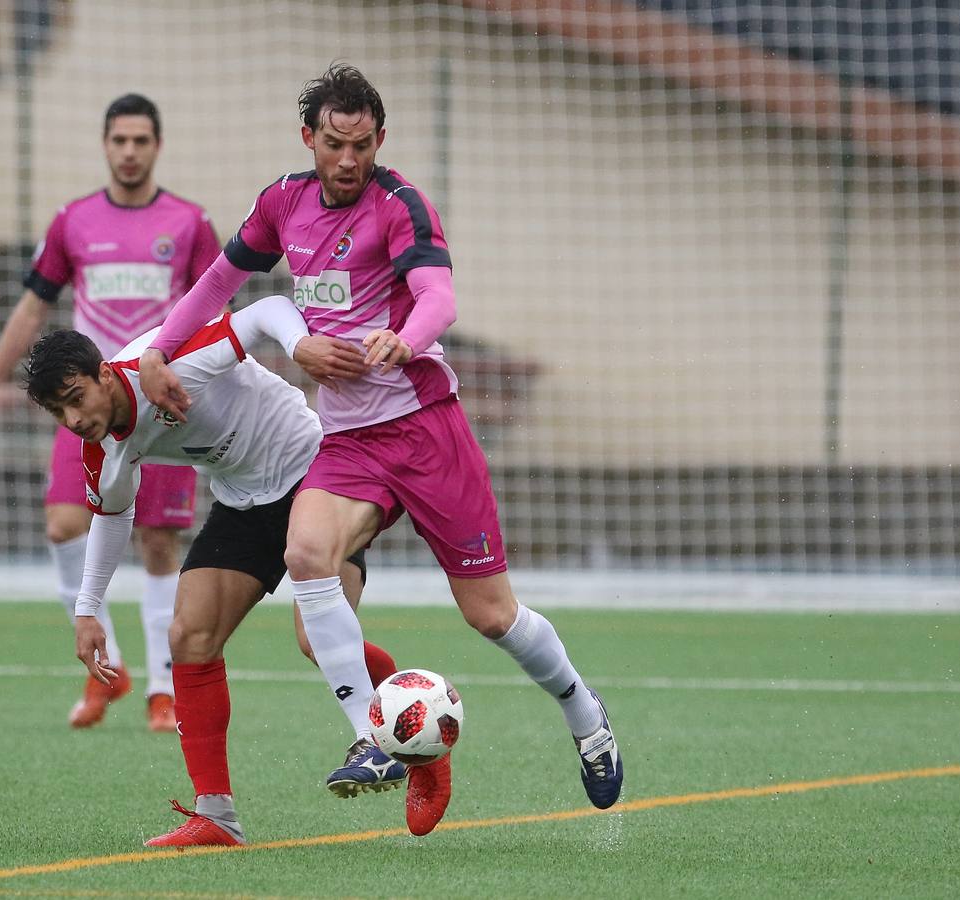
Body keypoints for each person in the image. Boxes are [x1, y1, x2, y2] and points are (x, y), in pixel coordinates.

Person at [138, 63, 623, 838]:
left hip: (428, 429)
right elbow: (220, 280)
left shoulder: (398, 205)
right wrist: (161, 350)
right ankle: (372, 737)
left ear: (379, 141)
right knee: (305, 555)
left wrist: (407, 338)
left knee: (491, 616)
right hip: (349, 441)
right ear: (310, 138)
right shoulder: (282, 203)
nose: (348, 160)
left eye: (362, 145)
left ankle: (582, 709)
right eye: (334, 144)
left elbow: (440, 297)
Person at [22, 295, 406, 848]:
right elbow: (112, 515)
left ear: (105, 374)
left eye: (76, 399)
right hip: (244, 503)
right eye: (59, 413)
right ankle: (216, 816)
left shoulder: (173, 362)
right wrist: (87, 610)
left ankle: (411, 720)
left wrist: (297, 345)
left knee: (312, 638)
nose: (74, 419)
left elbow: (263, 310)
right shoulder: (101, 448)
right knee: (189, 635)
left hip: (319, 474)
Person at [0, 93, 220, 732]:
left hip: (157, 407)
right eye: (118, 141)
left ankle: (163, 689)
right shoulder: (72, 221)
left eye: (140, 140)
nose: (129, 151)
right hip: (85, 406)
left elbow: (214, 310)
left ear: (157, 146)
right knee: (61, 524)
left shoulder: (188, 222)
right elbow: (32, 307)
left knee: (159, 541)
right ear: (105, 146)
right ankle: (106, 665)